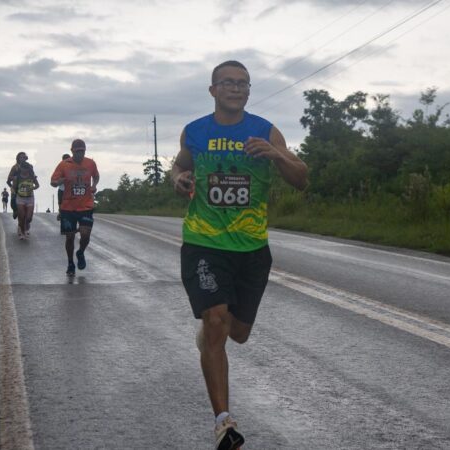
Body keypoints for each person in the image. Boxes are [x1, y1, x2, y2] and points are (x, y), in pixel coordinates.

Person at [171, 60, 308, 450]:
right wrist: (178, 178)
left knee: (239, 333)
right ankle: (224, 423)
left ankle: (210, 331)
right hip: (204, 241)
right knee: (216, 319)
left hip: (251, 249)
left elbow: (301, 178)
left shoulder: (265, 130)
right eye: (228, 83)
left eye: (243, 83)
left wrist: (277, 155)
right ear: (213, 90)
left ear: (249, 91)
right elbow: (179, 166)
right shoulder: (195, 131)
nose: (236, 88)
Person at [51, 139, 99, 276]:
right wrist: (59, 181)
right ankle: (70, 263)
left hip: (86, 205)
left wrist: (94, 185)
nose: (80, 154)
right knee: (70, 237)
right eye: (77, 151)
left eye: (82, 151)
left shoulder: (90, 163)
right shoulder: (64, 165)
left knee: (85, 235)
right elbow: (53, 182)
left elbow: (96, 176)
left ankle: (81, 252)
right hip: (68, 207)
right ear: (72, 151)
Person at [7, 152, 40, 240]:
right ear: (17, 158)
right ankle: (16, 215)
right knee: (19, 212)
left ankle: (26, 226)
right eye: (20, 157)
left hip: (28, 194)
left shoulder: (30, 167)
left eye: (24, 157)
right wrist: (13, 189)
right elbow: (8, 180)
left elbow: (35, 181)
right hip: (17, 191)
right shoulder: (15, 168)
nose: (22, 159)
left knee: (28, 217)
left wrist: (32, 187)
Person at [56, 153, 71, 221]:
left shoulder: (73, 167)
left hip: (70, 190)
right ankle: (61, 213)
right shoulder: (60, 168)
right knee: (61, 204)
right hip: (62, 189)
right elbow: (56, 180)